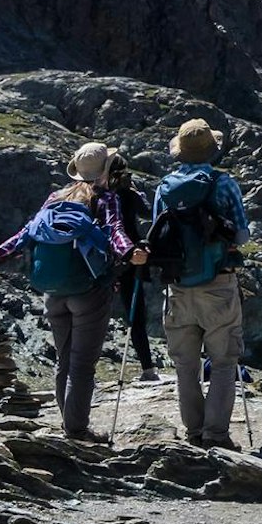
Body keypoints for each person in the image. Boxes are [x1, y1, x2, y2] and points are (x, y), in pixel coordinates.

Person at [0, 142, 145, 442]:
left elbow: (24, 236)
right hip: (90, 290)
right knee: (82, 364)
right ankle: (76, 432)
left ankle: (69, 425)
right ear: (105, 171)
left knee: (64, 360)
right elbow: (115, 232)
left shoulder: (54, 199)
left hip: (52, 290)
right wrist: (131, 254)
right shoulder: (105, 198)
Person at [151, 120, 250, 450]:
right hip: (218, 282)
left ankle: (194, 432)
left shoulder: (164, 187)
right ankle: (216, 434)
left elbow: (157, 234)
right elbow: (241, 233)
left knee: (185, 365)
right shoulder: (223, 183)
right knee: (223, 361)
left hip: (177, 286)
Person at [104, 150, 159, 383]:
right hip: (132, 256)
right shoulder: (127, 193)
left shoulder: (100, 194)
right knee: (136, 313)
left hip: (105, 256)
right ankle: (147, 368)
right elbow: (149, 211)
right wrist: (138, 191)